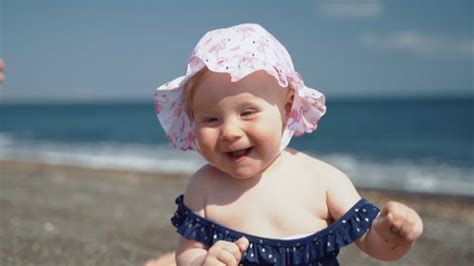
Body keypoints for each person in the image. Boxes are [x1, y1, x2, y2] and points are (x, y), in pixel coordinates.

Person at [153, 23, 423, 266]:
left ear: (287, 105)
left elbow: (375, 245)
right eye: (211, 119)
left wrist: (393, 235)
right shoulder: (203, 187)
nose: (230, 132)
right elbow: (187, 252)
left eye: (247, 112)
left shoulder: (321, 180)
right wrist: (202, 261)